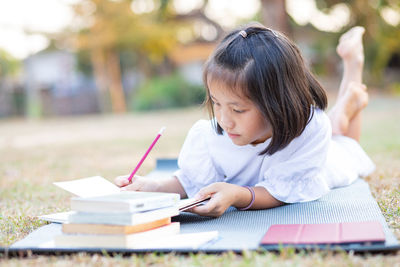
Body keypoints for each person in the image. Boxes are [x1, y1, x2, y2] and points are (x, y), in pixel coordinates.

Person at [115, 23, 374, 217]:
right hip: (309, 134)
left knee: (347, 144)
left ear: (277, 102)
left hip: (325, 159)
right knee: (336, 128)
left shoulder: (310, 130)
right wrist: (152, 186)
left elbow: (283, 191)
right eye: (216, 103)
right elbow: (191, 182)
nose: (225, 121)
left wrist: (238, 195)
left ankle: (353, 67)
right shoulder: (210, 136)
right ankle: (345, 106)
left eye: (238, 110)